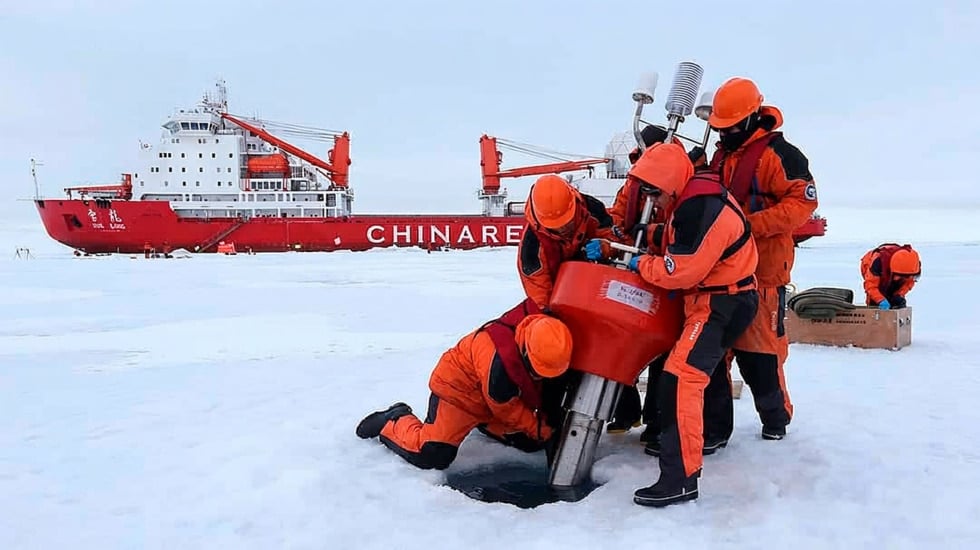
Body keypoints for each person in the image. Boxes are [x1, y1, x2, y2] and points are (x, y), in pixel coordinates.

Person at [615, 142, 758, 507]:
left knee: (680, 380)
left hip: (720, 303)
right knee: (699, 372)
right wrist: (630, 243)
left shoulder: (699, 207)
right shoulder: (691, 199)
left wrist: (640, 265)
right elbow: (675, 237)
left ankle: (679, 480)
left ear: (669, 182)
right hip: (717, 299)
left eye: (654, 192)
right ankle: (710, 436)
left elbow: (679, 270)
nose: (652, 199)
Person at [706, 76, 818, 441]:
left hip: (764, 274)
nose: (725, 134)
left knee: (761, 357)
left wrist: (748, 225)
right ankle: (714, 430)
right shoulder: (720, 155)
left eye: (732, 127)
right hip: (720, 272)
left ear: (753, 117)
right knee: (712, 357)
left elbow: (803, 203)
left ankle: (775, 420)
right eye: (720, 129)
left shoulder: (782, 156)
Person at [355, 301, 574, 471]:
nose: (539, 376)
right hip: (459, 395)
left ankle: (484, 424)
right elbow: (505, 408)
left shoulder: (549, 335)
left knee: (530, 443)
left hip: (490, 401)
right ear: (525, 350)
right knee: (433, 455)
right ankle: (394, 418)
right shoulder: (498, 363)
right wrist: (543, 431)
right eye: (537, 370)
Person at [517, 174, 618, 309]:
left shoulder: (593, 209)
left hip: (600, 287)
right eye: (555, 226)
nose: (563, 228)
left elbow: (620, 243)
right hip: (560, 296)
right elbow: (540, 301)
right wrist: (550, 314)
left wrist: (606, 247)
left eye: (567, 222)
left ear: (574, 204)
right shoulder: (531, 250)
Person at [860, 243, 921, 308]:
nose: (898, 279)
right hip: (870, 265)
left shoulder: (913, 267)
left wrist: (899, 295)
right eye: (899, 276)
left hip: (893, 268)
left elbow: (908, 284)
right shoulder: (877, 263)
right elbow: (870, 286)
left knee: (894, 299)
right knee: (875, 299)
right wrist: (880, 300)